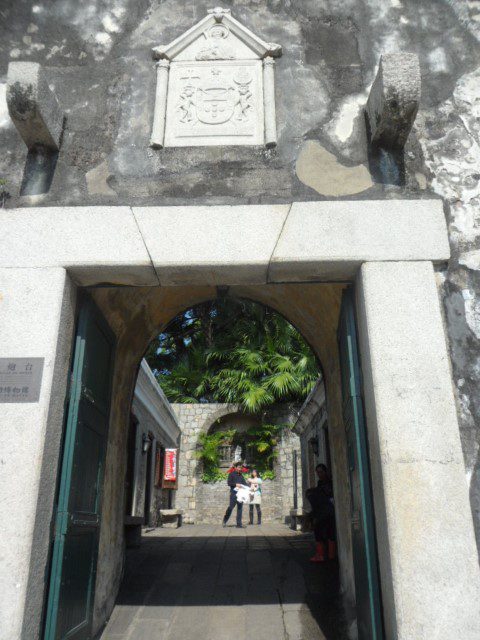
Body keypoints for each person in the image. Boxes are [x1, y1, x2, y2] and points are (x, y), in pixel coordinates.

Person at [306, 463, 336, 562]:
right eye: (318, 472)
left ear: (325, 471)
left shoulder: (329, 482)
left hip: (329, 511)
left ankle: (329, 555)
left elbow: (328, 494)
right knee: (320, 531)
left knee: (327, 532)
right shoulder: (320, 483)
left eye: (321, 472)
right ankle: (322, 554)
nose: (319, 474)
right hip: (322, 511)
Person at [222, 460, 248, 528]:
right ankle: (224, 520)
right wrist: (236, 484)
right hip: (234, 493)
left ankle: (239, 524)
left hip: (240, 494)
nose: (240, 469)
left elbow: (244, 484)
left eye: (241, 468)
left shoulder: (241, 475)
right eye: (239, 467)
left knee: (240, 508)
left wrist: (249, 486)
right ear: (235, 467)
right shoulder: (231, 474)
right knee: (230, 507)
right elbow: (229, 483)